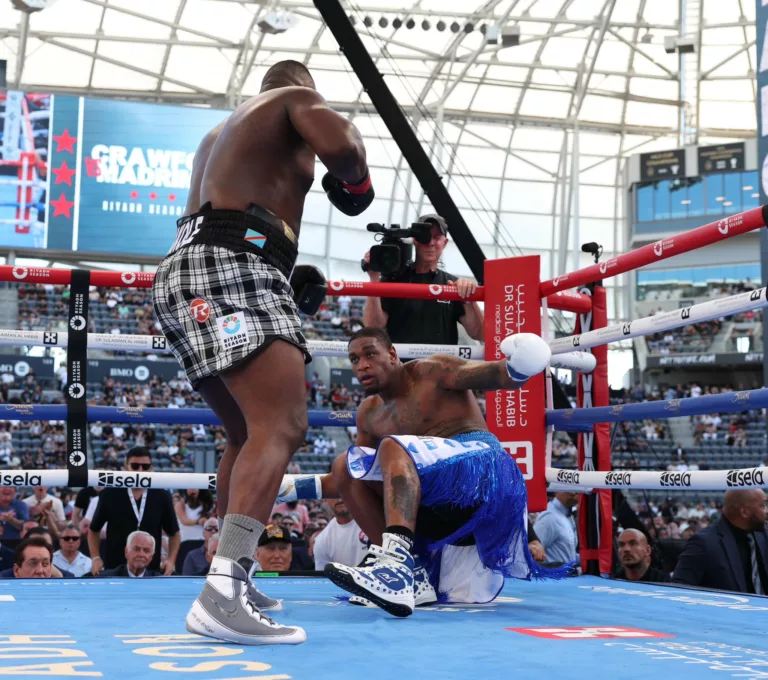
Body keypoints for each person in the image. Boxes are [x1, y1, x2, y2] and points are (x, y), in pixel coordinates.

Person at [152, 59, 373, 645]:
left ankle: (235, 573)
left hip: (189, 269)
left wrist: (280, 265)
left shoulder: (218, 138)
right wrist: (357, 183)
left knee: (247, 433)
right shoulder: (294, 100)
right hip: (233, 268)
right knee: (283, 423)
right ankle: (221, 592)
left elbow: (226, 214)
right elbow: (345, 148)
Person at [272, 327, 567, 617]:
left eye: (370, 354)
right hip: (438, 509)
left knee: (391, 447)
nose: (362, 365)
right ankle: (409, 571)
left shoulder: (431, 371)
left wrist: (520, 365)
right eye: (354, 359)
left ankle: (394, 563)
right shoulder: (369, 412)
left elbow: (498, 375)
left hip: (483, 480)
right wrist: (281, 488)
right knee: (345, 464)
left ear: (391, 354)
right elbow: (355, 477)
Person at [363, 214, 484, 344]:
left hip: (441, 364)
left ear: (445, 243)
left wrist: (468, 299)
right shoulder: (393, 279)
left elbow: (479, 334)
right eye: (425, 237)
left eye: (437, 238)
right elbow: (373, 329)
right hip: (403, 364)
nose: (431, 243)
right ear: (415, 240)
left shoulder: (453, 284)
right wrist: (374, 279)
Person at [88, 447, 180, 575]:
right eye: (135, 466)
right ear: (127, 467)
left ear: (151, 468)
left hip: (150, 570)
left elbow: (174, 534)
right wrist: (95, 558)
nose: (140, 470)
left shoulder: (162, 496)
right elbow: (93, 530)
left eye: (145, 466)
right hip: (115, 569)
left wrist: (171, 561)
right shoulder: (109, 494)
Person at [673, 489, 768, 593]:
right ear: (744, 512)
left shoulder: (762, 534)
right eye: (763, 505)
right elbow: (679, 591)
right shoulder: (702, 543)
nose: (766, 510)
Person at [312, 499, 369, 571]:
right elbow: (324, 578)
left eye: (342, 491)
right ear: (326, 500)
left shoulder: (376, 518)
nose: (339, 499)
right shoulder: (322, 541)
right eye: (333, 495)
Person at [534, 492, 579, 565]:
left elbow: (569, 556)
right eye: (568, 487)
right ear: (556, 490)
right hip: (552, 575)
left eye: (577, 489)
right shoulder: (549, 517)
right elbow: (532, 553)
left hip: (568, 574)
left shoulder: (568, 514)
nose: (573, 493)